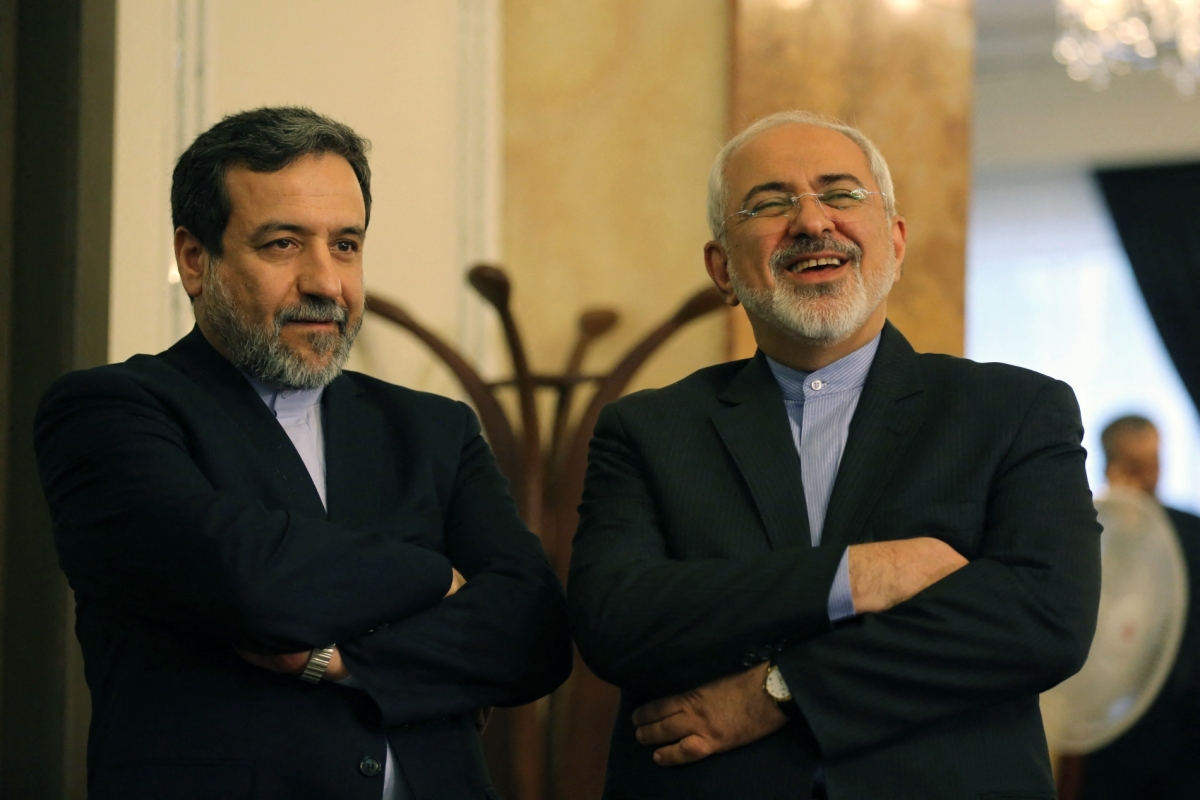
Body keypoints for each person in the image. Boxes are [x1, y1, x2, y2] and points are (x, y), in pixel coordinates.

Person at [35, 106, 571, 800]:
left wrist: (343, 660)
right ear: (195, 259)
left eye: (345, 245)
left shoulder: (433, 430)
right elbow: (247, 577)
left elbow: (535, 633)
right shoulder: (109, 412)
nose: (327, 282)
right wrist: (439, 580)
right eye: (284, 244)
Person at [568, 110, 1102, 800]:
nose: (812, 222)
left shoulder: (1013, 410)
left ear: (897, 241)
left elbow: (1043, 618)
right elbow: (618, 620)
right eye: (768, 203)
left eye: (842, 194)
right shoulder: (648, 430)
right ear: (721, 269)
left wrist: (780, 692)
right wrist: (857, 574)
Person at [1081, 415, 1200, 800]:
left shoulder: (1191, 533)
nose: (1149, 479)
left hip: (1185, 731)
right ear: (1110, 467)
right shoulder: (1088, 537)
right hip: (1113, 732)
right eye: (1136, 467)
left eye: (1155, 465)